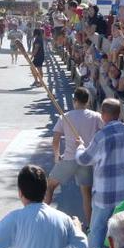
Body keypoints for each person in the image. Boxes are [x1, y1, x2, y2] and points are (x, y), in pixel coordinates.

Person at [74, 98, 124, 248]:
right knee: (123, 232)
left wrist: (80, 146)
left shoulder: (101, 135)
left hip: (104, 195)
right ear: (119, 113)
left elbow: (84, 159)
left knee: (97, 230)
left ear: (103, 114)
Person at [45, 88, 104, 228]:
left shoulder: (66, 116)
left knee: (50, 186)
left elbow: (55, 140)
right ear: (88, 100)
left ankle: (40, 217)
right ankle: (90, 225)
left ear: (74, 100)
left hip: (69, 158)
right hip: (86, 159)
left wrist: (56, 156)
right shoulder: (96, 116)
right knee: (86, 194)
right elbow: (104, 133)